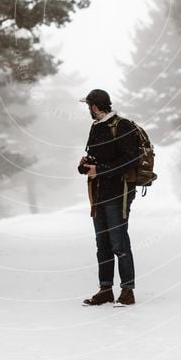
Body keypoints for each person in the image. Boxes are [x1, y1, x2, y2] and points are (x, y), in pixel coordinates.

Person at [78, 89, 140, 306]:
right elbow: (95, 159)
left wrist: (100, 170)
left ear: (94, 106)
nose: (88, 109)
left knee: (119, 242)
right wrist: (84, 165)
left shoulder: (121, 126)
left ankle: (127, 291)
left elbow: (131, 159)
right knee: (102, 244)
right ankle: (105, 289)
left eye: (88, 106)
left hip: (119, 193)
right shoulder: (96, 127)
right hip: (99, 194)